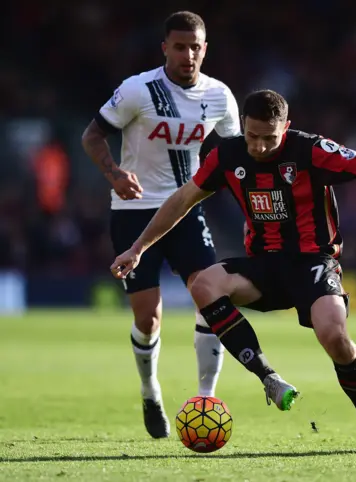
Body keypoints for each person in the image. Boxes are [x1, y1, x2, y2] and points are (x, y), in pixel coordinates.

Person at [110, 89, 356, 451]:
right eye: (252, 136)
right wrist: (138, 248)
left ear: (286, 128)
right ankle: (269, 378)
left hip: (313, 264)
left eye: (269, 138)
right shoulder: (226, 155)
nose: (258, 146)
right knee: (203, 283)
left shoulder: (310, 150)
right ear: (242, 125)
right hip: (264, 265)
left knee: (335, 337)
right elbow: (182, 199)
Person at [81, 11, 241, 439]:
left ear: (205, 49)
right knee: (149, 319)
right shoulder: (138, 90)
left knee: (212, 297)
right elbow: (91, 136)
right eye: (180, 46)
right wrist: (114, 173)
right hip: (133, 212)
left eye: (196, 47)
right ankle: (150, 390)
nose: (188, 55)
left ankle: (205, 397)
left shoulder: (221, 97)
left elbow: (235, 159)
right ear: (164, 48)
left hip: (186, 209)